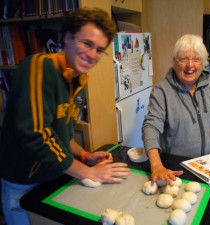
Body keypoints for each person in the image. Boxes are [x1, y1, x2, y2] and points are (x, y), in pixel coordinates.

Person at [0, 8, 130, 225]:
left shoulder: (76, 82)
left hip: (54, 179)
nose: (92, 55)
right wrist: (89, 173)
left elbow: (62, 134)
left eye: (99, 50)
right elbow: (37, 135)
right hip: (24, 184)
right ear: (68, 37)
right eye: (87, 44)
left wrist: (85, 155)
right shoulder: (39, 67)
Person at [142, 34, 210, 182]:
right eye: (184, 59)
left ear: (203, 63)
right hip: (179, 167)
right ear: (174, 62)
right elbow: (150, 126)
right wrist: (156, 164)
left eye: (196, 59)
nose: (190, 65)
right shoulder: (162, 91)